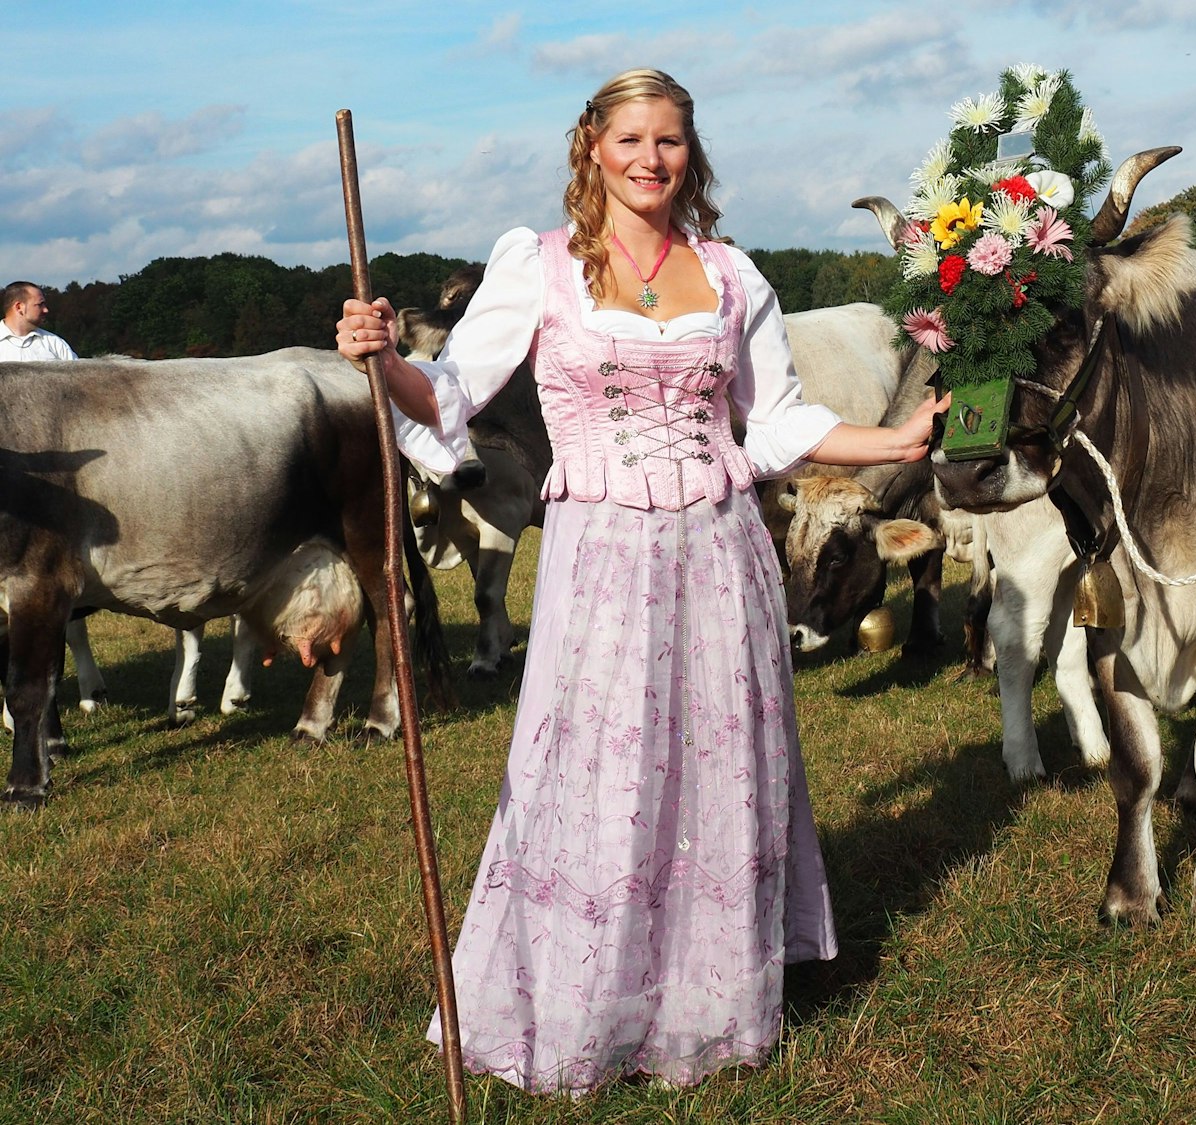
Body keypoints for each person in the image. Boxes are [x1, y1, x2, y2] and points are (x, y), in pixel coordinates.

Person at [336, 68, 947, 1095]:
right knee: (591, 772)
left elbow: (781, 421)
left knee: (717, 765)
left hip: (720, 548)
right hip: (599, 556)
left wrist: (895, 435)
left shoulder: (734, 273)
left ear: (689, 151)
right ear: (592, 147)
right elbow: (446, 397)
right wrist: (381, 354)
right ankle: (578, 1001)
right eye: (629, 139)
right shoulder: (536, 266)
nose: (649, 159)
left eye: (668, 141)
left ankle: (707, 1002)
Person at [0, 281, 78, 361]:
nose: (46, 310)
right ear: (19, 307)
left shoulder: (55, 344)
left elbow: (78, 372)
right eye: (40, 304)